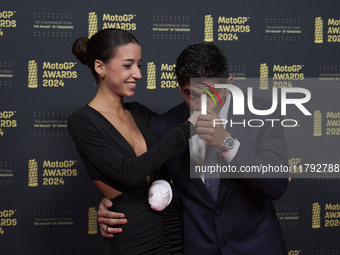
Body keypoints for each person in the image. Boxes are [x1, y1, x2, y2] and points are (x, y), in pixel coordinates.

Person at [98, 43, 288, 255]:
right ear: (180, 89)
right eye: (191, 94)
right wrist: (114, 207)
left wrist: (227, 142)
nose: (201, 104)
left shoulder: (263, 115)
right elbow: (150, 184)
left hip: (258, 248)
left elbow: (277, 184)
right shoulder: (164, 125)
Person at [68, 28, 199, 255]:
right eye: (128, 65)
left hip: (174, 228)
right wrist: (187, 128)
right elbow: (129, 172)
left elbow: (171, 148)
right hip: (134, 236)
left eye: (139, 65)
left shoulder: (139, 112)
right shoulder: (82, 122)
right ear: (100, 67)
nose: (138, 74)